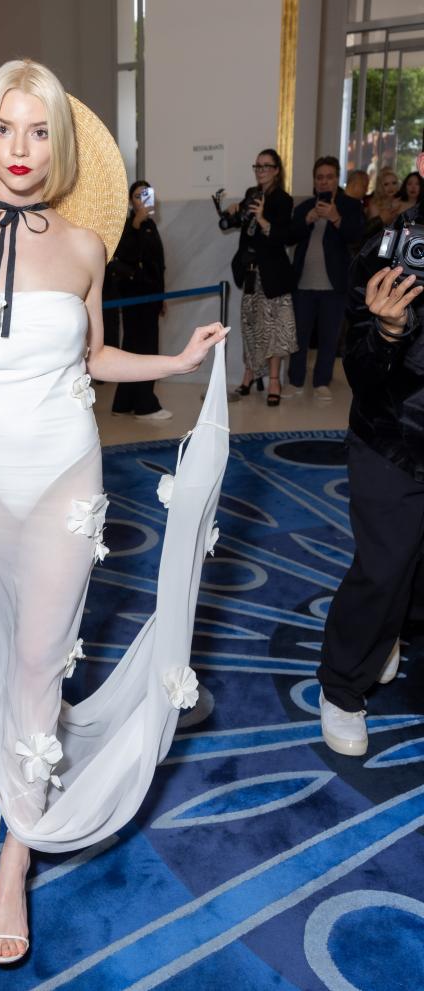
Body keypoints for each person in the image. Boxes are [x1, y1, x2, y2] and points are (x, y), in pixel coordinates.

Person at [0, 60, 228, 964]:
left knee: (39, 651)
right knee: (16, 634)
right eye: (5, 128)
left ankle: (14, 852)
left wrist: (176, 363)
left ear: (57, 146)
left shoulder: (83, 247)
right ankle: (35, 754)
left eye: (38, 131)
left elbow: (96, 357)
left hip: (69, 470)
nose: (20, 149)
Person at [317, 153, 424, 754]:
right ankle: (341, 688)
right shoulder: (390, 246)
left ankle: (393, 633)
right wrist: (387, 331)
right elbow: (356, 369)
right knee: (384, 569)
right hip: (393, 436)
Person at [287, 156, 366, 399]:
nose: (324, 181)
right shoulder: (304, 207)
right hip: (302, 284)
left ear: (336, 179)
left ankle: (322, 381)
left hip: (335, 284)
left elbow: (357, 236)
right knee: (298, 336)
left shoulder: (350, 205)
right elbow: (289, 237)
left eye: (329, 177)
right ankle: (295, 380)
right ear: (314, 181)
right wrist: (306, 220)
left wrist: (335, 218)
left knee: (329, 336)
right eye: (319, 177)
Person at [226, 149, 297, 406]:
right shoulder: (250, 195)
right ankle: (249, 375)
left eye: (267, 166)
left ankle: (274, 381)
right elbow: (241, 229)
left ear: (277, 169)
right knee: (251, 326)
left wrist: (262, 219)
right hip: (250, 273)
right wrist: (235, 212)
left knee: (274, 330)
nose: (261, 170)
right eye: (258, 166)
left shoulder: (283, 200)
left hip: (273, 275)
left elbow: (284, 237)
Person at [108, 181, 172, 420]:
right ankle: (145, 405)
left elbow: (158, 266)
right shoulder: (129, 227)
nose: (144, 199)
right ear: (130, 202)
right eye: (138, 196)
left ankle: (123, 403)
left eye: (148, 194)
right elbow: (126, 256)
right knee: (142, 349)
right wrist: (134, 225)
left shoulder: (150, 226)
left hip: (151, 298)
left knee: (137, 348)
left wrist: (162, 297)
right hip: (135, 297)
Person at [365, 167, 401, 233]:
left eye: (394, 183)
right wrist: (391, 209)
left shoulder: (401, 202)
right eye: (386, 184)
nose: (391, 187)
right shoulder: (374, 204)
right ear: (380, 186)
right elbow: (374, 231)